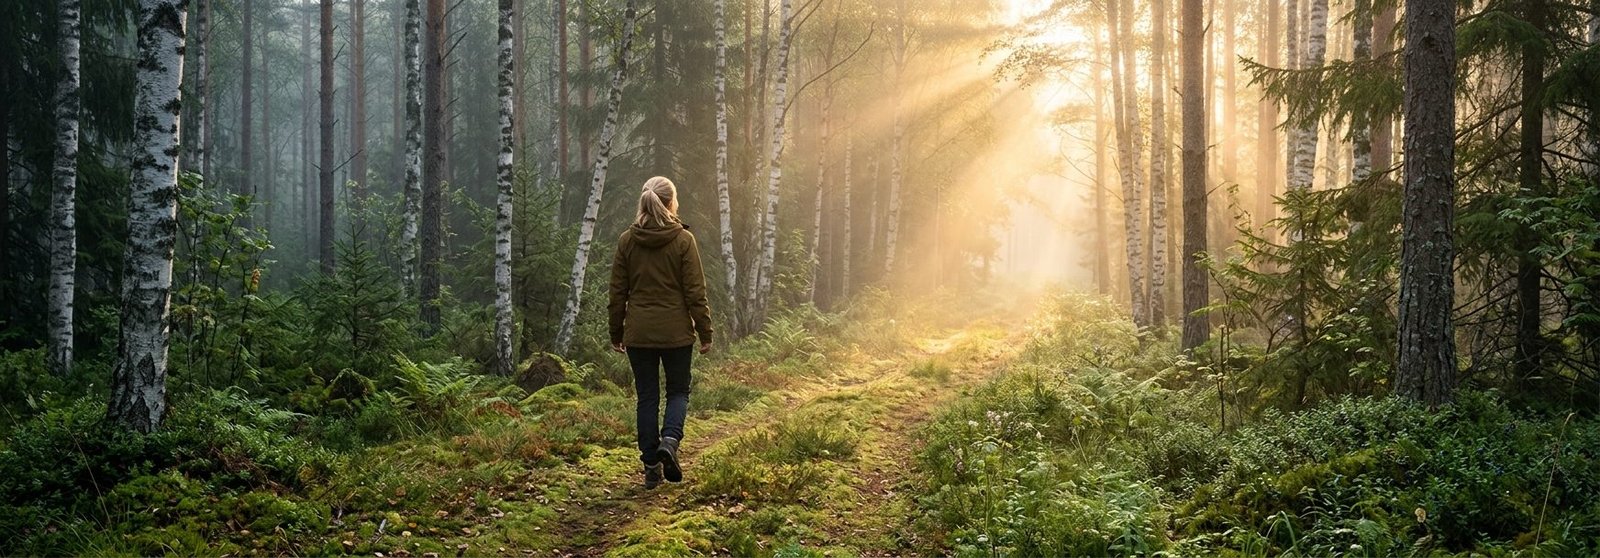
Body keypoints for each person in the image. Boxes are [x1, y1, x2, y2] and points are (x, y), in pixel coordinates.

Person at [608, 176, 714, 489]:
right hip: (677, 333)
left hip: (639, 334)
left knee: (647, 397)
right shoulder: (683, 240)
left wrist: (616, 332)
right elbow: (696, 291)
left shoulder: (627, 240)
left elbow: (617, 293)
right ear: (671, 202)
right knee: (678, 391)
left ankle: (651, 466)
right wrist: (705, 332)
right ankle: (669, 441)